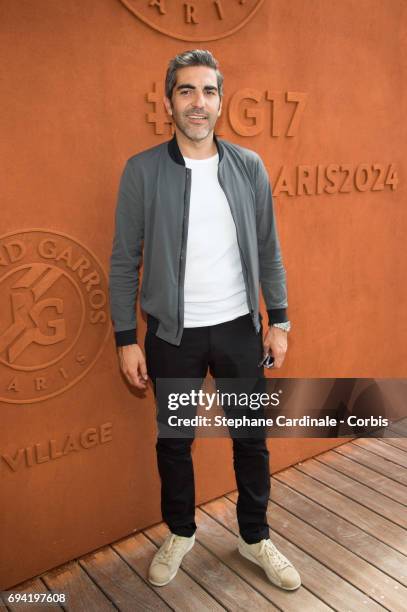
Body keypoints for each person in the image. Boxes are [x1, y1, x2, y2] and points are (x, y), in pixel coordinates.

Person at [109, 49, 301, 591]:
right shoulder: (142, 171)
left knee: (251, 438)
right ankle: (180, 531)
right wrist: (127, 338)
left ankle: (255, 535)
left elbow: (269, 247)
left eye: (208, 91)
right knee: (174, 441)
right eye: (187, 91)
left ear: (221, 101)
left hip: (241, 329)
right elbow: (125, 259)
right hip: (173, 336)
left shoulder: (248, 167)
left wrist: (280, 320)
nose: (199, 102)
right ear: (169, 100)